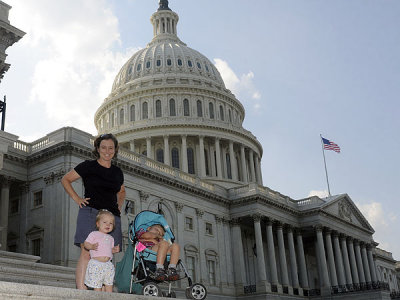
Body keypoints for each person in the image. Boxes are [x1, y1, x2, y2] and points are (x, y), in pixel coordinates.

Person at [61, 133, 125, 290]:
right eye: (103, 147)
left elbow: (122, 191)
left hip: (111, 217)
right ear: (98, 148)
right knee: (86, 250)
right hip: (90, 212)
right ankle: (81, 289)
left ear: (115, 150)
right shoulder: (88, 166)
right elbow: (65, 179)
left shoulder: (117, 172)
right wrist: (77, 199)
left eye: (111, 148)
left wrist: (118, 207)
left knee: (108, 254)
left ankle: (103, 289)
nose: (107, 151)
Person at [84, 210, 120, 292]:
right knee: (97, 284)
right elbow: (86, 244)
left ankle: (109, 296)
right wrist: (91, 246)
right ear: (98, 224)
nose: (108, 225)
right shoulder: (94, 234)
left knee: (109, 283)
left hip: (108, 265)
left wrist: (113, 250)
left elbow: (108, 250)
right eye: (105, 222)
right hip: (97, 264)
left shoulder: (111, 238)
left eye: (111, 223)